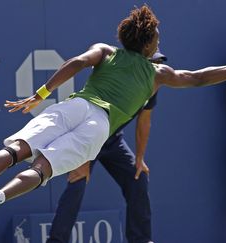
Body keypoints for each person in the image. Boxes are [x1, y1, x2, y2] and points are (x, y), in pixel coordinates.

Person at [0, 5, 226, 238]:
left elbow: (75, 62)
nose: (159, 42)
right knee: (42, 169)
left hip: (74, 106)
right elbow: (195, 78)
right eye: (157, 39)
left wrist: (41, 94)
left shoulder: (106, 51)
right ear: (148, 43)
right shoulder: (157, 72)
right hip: (99, 127)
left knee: (17, 149)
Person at [46, 51, 167, 243]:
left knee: (138, 177)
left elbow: (145, 120)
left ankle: (141, 240)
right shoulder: (121, 83)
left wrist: (139, 158)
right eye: (152, 64)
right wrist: (84, 158)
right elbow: (95, 121)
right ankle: (57, 240)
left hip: (112, 140)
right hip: (87, 135)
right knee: (77, 182)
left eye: (158, 64)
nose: (156, 68)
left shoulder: (152, 85)